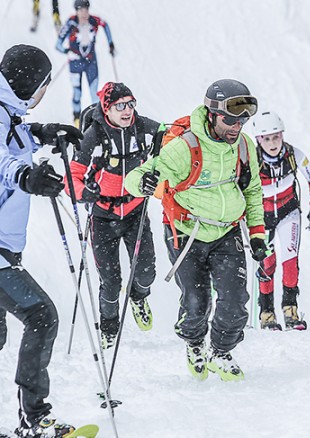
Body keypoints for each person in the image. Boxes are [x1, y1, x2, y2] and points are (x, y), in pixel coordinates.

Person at [124, 79, 266, 382]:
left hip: (227, 232)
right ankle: (194, 343)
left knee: (236, 299)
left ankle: (221, 351)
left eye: (243, 118)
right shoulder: (185, 147)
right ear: (212, 114)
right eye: (230, 118)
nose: (237, 125)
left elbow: (253, 189)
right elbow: (135, 177)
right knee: (196, 302)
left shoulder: (243, 145)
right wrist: (143, 183)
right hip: (186, 232)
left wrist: (257, 234)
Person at [0, 44, 83, 438]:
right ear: (28, 83)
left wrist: (43, 133)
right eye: (42, 86)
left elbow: (13, 138)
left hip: (5, 248)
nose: (41, 94)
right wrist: (25, 177)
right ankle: (35, 421)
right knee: (41, 316)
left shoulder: (8, 113)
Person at [66, 82, 162, 349]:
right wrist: (85, 192)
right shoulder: (93, 136)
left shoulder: (142, 128)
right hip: (103, 216)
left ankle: (138, 297)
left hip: (135, 211)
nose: (127, 110)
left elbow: (172, 136)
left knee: (145, 272)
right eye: (120, 105)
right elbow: (71, 177)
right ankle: (109, 327)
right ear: (107, 108)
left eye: (131, 104)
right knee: (110, 282)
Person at [251, 111, 310, 331]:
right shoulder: (251, 160)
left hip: (288, 213)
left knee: (290, 263)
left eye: (276, 136)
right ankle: (266, 313)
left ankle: (290, 309)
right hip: (262, 218)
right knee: (267, 264)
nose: (272, 143)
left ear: (282, 135)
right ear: (258, 140)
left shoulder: (293, 154)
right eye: (267, 138)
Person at [56, 0, 115, 126]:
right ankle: (77, 119)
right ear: (76, 11)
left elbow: (106, 25)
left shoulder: (94, 21)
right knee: (77, 92)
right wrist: (67, 51)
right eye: (81, 10)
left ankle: (96, 119)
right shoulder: (71, 22)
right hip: (75, 63)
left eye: (86, 10)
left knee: (94, 92)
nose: (84, 13)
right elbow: (58, 45)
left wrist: (110, 43)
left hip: (91, 62)